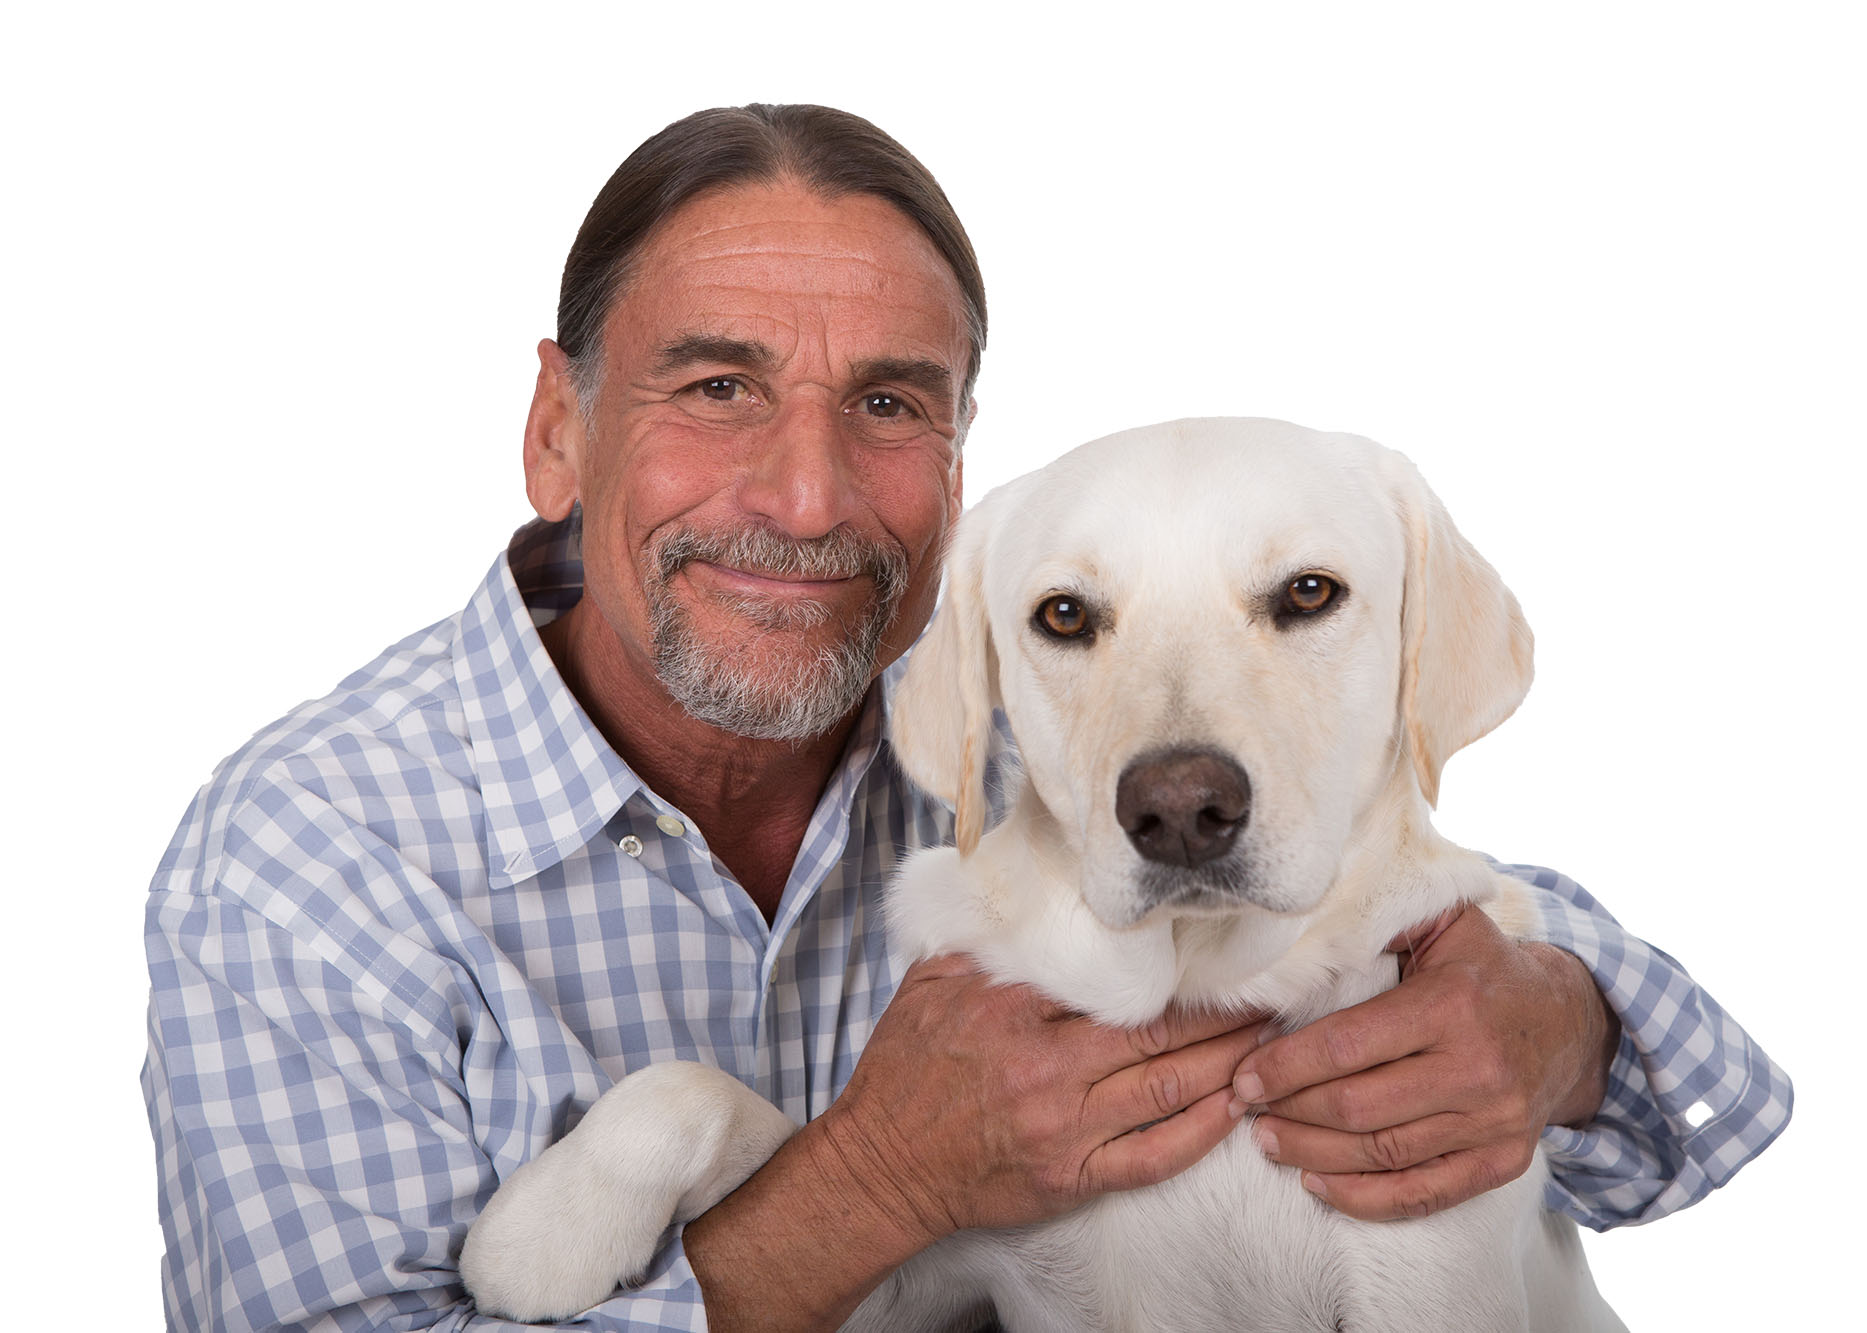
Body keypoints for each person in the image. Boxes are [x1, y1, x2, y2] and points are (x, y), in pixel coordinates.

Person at [143, 104, 1791, 1332]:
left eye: (887, 404)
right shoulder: (300, 863)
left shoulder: (1046, 742)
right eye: (715, 387)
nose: (802, 494)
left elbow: (1429, 897)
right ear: (556, 433)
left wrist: (1559, 1023)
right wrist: (872, 1178)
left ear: (955, 455)